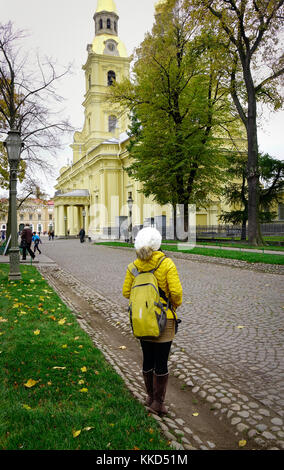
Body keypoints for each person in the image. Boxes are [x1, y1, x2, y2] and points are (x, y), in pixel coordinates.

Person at [122, 227, 183, 416]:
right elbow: (177, 294)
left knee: (147, 358)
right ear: (157, 243)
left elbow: (126, 292)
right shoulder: (166, 263)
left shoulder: (133, 266)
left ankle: (149, 396)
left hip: (142, 320)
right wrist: (171, 306)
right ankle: (158, 402)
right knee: (161, 362)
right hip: (164, 321)